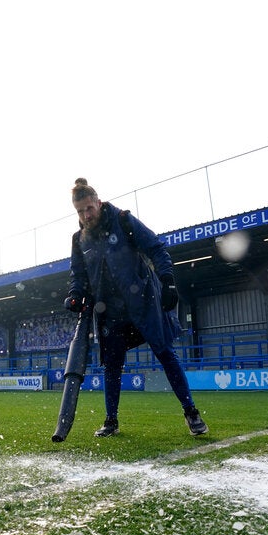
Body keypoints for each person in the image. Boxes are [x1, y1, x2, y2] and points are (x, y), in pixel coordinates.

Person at [64, 178, 208, 437]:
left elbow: (157, 248)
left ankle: (191, 413)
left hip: (144, 302)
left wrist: (167, 282)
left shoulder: (122, 220)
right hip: (109, 311)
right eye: (80, 211)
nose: (86, 215)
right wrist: (75, 294)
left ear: (98, 202)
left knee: (165, 353)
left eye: (89, 208)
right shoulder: (79, 240)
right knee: (111, 366)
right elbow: (78, 275)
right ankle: (111, 421)